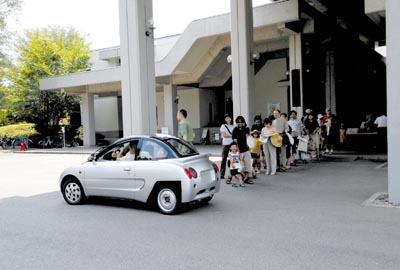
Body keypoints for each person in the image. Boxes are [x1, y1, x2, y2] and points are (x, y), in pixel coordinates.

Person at [232, 115, 253, 184]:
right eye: (238, 122)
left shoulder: (246, 129)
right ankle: (242, 176)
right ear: (236, 123)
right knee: (239, 166)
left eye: (241, 122)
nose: (240, 124)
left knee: (248, 165)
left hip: (246, 150)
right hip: (239, 151)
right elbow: (235, 142)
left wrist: (249, 148)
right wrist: (238, 152)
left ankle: (247, 178)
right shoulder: (235, 130)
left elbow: (249, 139)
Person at [220, 113, 235, 180]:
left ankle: (234, 173)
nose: (228, 119)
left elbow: (234, 135)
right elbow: (224, 135)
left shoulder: (233, 126)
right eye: (227, 118)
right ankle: (222, 174)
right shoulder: (223, 126)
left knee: (234, 159)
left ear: (231, 119)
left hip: (232, 144)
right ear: (225, 119)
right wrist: (232, 135)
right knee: (224, 159)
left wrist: (228, 135)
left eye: (229, 118)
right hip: (226, 144)